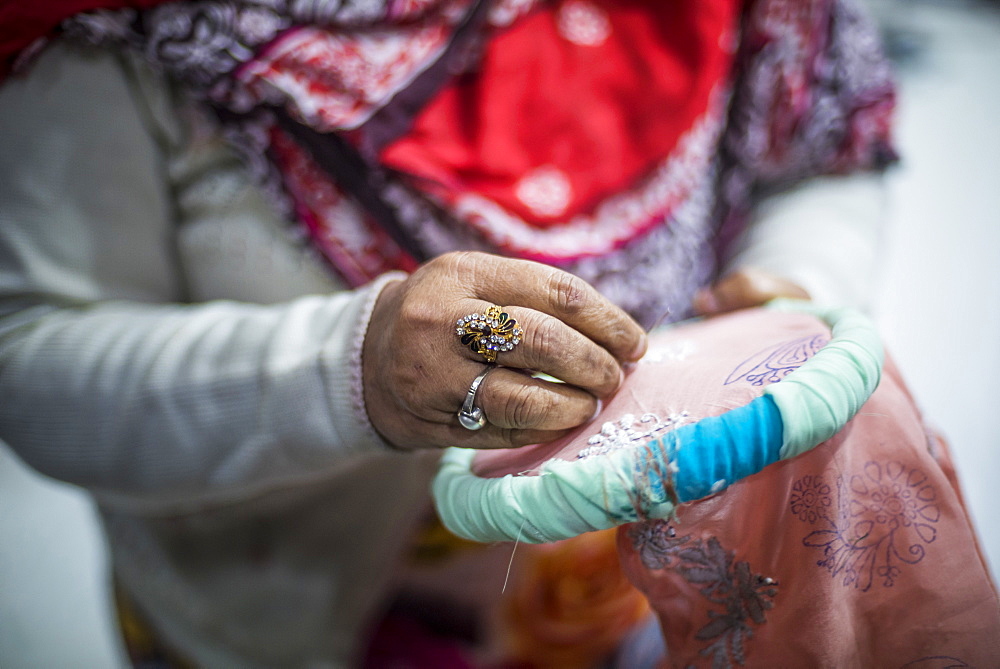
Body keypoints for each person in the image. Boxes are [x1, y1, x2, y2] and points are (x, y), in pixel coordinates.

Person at [0, 0, 897, 665]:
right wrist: (353, 369)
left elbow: (817, 156)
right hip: (266, 619)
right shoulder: (106, 36)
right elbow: (31, 359)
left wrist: (787, 297)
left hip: (625, 593)